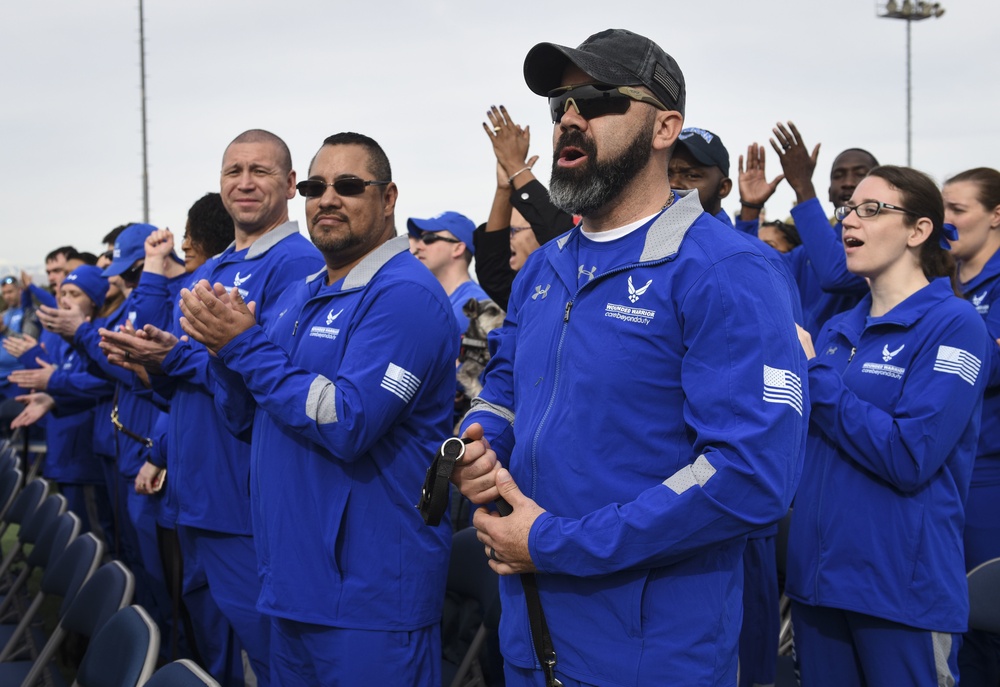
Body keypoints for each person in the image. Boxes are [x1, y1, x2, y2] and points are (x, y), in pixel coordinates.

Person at [451, 29, 806, 686]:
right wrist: (481, 441)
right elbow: (504, 382)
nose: (572, 119)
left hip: (648, 655)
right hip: (528, 635)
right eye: (561, 105)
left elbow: (751, 475)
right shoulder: (545, 267)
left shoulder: (727, 269)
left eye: (599, 98)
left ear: (666, 125)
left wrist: (554, 543)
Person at [178, 131, 455, 686]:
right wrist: (223, 353)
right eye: (315, 186)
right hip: (291, 587)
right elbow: (246, 419)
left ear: (389, 197)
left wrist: (243, 347)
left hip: (367, 601)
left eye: (348, 186)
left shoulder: (405, 296)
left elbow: (347, 421)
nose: (327, 198)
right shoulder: (303, 294)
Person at [99, 129, 324, 686]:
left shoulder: (296, 262)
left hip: (242, 498)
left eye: (261, 171)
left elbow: (271, 374)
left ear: (291, 184)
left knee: (271, 661)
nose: (245, 182)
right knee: (213, 650)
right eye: (233, 171)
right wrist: (157, 362)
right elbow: (197, 380)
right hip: (197, 491)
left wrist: (177, 360)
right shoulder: (217, 268)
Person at [787, 166, 988, 686]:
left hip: (900, 595)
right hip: (815, 589)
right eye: (847, 209)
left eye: (871, 209)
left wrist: (816, 380)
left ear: (918, 231)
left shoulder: (956, 325)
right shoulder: (836, 329)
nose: (850, 220)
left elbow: (910, 455)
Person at [941, 167, 1000, 686]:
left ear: (996, 215)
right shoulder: (940, 279)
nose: (946, 221)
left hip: (989, 474)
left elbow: (989, 365)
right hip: (938, 467)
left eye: (958, 210)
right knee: (946, 613)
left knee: (986, 615)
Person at [737, 126, 874, 338]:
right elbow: (753, 270)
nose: (848, 182)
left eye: (860, 174)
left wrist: (802, 185)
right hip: (803, 366)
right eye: (839, 175)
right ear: (828, 193)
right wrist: (750, 209)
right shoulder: (805, 255)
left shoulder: (881, 251)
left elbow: (833, 274)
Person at [474, 105, 576, 309]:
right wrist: (504, 188)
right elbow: (493, 273)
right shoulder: (530, 289)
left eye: (514, 231)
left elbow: (561, 234)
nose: (506, 239)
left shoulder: (576, 274)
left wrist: (516, 167)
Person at [408, 211, 489, 340]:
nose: (418, 246)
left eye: (429, 238)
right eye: (419, 239)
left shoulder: (478, 306)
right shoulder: (427, 301)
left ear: (458, 249)